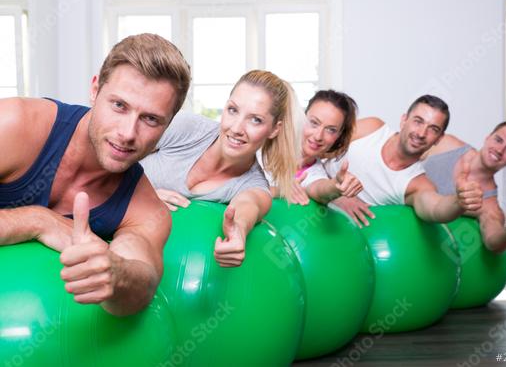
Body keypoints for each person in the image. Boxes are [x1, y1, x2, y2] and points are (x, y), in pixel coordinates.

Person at [0, 33, 191, 316]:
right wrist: (38, 221)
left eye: (150, 119)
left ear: (169, 123)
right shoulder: (14, 125)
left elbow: (143, 282)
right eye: (119, 106)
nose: (127, 133)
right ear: (95, 90)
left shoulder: (145, 210)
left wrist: (117, 274)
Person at [140, 70, 299, 267]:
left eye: (255, 120)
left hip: (154, 263)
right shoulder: (185, 127)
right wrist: (140, 196)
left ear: (275, 129)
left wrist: (238, 232)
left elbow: (248, 206)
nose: (237, 128)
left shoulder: (254, 186)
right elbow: (110, 161)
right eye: (233, 110)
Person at [326, 94, 483, 226]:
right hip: (308, 196)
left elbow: (436, 208)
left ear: (438, 139)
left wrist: (459, 202)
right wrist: (335, 196)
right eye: (418, 121)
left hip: (340, 233)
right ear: (403, 120)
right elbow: (318, 151)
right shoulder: (372, 128)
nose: (421, 133)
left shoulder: (417, 184)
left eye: (433, 129)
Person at [422, 119, 506, 252]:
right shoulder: (447, 144)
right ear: (487, 137)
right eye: (498, 140)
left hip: (420, 241)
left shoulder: (489, 206)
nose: (499, 150)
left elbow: (493, 242)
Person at [267, 89, 363, 205]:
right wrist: (280, 190)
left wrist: (336, 185)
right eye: (314, 123)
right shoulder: (267, 143)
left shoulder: (315, 173)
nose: (318, 136)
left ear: (339, 136)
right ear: (302, 118)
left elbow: (320, 190)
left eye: (331, 130)